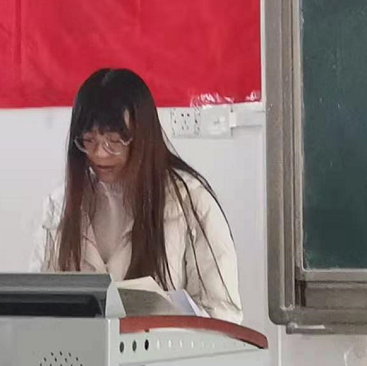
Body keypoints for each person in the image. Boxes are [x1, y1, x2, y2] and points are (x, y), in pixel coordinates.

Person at [30, 68, 242, 323]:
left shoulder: (191, 202)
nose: (100, 154)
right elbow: (38, 303)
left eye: (114, 141)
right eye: (88, 140)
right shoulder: (61, 204)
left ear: (142, 137)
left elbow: (222, 315)